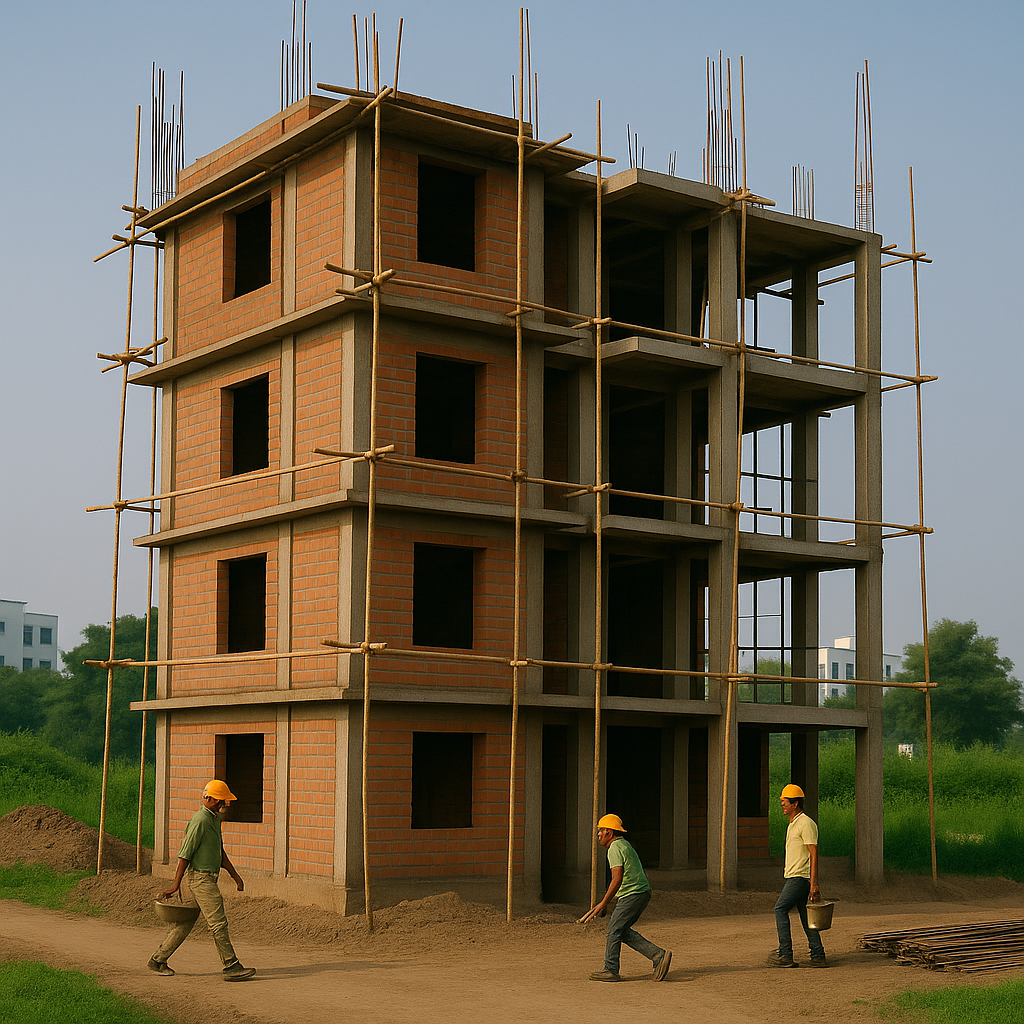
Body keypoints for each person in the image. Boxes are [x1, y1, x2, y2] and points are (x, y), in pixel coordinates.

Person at [148, 779, 257, 981]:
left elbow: (220, 852)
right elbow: (185, 855)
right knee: (218, 923)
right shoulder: (200, 821)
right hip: (201, 880)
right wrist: (175, 884)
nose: (224, 805)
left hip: (207, 879)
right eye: (222, 801)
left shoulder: (212, 820)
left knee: (185, 922)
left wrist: (235, 876)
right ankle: (231, 966)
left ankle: (157, 960)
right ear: (212, 799)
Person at [580, 813, 672, 982]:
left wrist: (603, 903)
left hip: (634, 893)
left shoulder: (614, 848)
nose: (598, 834)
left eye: (601, 830)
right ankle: (657, 955)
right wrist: (610, 902)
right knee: (620, 931)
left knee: (614, 930)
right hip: (639, 893)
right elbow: (626, 878)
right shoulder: (624, 845)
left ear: (610, 832)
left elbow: (617, 878)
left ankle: (610, 969)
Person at [767, 783, 827, 968]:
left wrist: (813, 883)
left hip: (800, 877)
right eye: (782, 802)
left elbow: (813, 854)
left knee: (780, 909)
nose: (782, 805)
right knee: (804, 915)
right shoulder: (794, 824)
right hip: (797, 876)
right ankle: (817, 955)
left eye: (785, 802)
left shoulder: (806, 824)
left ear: (795, 803)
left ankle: (785, 953)